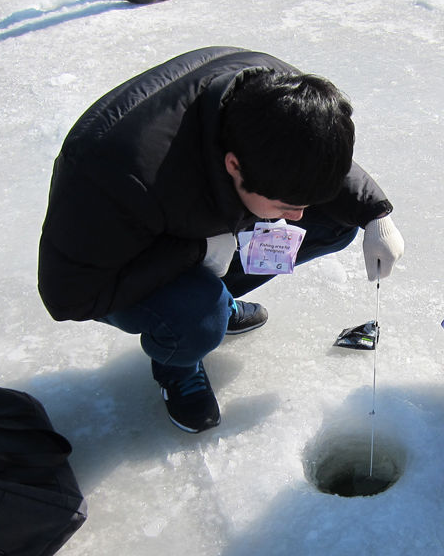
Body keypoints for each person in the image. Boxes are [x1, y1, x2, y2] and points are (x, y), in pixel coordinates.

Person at [38, 47, 404, 433]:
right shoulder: (116, 177)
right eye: (286, 204)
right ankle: (179, 358)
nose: (297, 216)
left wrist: (375, 213)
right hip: (120, 259)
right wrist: (196, 250)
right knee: (198, 317)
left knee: (334, 219)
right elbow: (68, 297)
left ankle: (214, 295)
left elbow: (314, 150)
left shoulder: (272, 90)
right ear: (234, 166)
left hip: (201, 212)